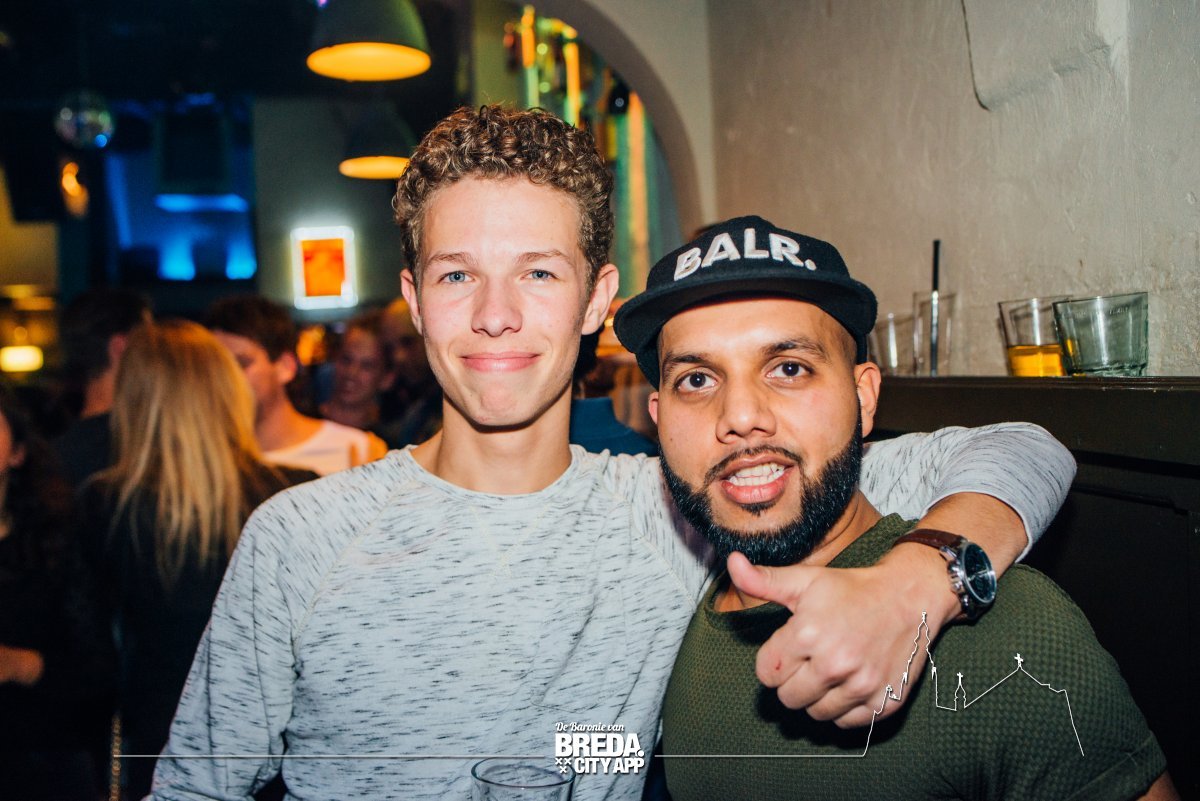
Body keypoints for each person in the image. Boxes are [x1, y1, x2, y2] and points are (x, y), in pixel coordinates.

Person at [151, 106, 1073, 801]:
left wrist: (917, 582)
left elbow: (1023, 448)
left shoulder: (682, 506)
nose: (495, 315)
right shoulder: (299, 538)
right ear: (416, 299)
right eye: (458, 274)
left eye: (538, 272)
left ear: (597, 300)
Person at [611, 217, 1176, 800]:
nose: (741, 415)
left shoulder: (1007, 630)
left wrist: (921, 580)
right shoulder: (673, 612)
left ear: (864, 398)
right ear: (659, 420)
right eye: (697, 379)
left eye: (789, 368)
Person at [78, 320, 315, 799]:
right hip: (275, 742)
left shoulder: (107, 503)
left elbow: (91, 652)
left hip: (162, 740)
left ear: (135, 401)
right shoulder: (294, 491)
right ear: (226, 390)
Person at [0, 382, 115, 801]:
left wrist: (21, 665)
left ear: (18, 453)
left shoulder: (56, 543)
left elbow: (99, 671)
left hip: (42, 760)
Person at [205, 295, 387, 475]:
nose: (226, 378)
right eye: (217, 367)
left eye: (242, 364)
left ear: (285, 366)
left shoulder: (356, 451)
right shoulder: (207, 461)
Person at [54, 288, 152, 488]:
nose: (155, 353)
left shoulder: (56, 453)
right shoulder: (142, 446)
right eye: (149, 341)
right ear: (120, 346)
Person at [376, 297, 442, 448]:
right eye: (390, 348)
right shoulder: (395, 396)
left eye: (408, 342)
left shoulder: (453, 399)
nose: (398, 357)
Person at [319, 310, 395, 432]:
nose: (351, 373)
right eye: (346, 360)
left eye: (367, 366)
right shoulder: (299, 427)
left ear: (387, 378)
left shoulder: (390, 440)